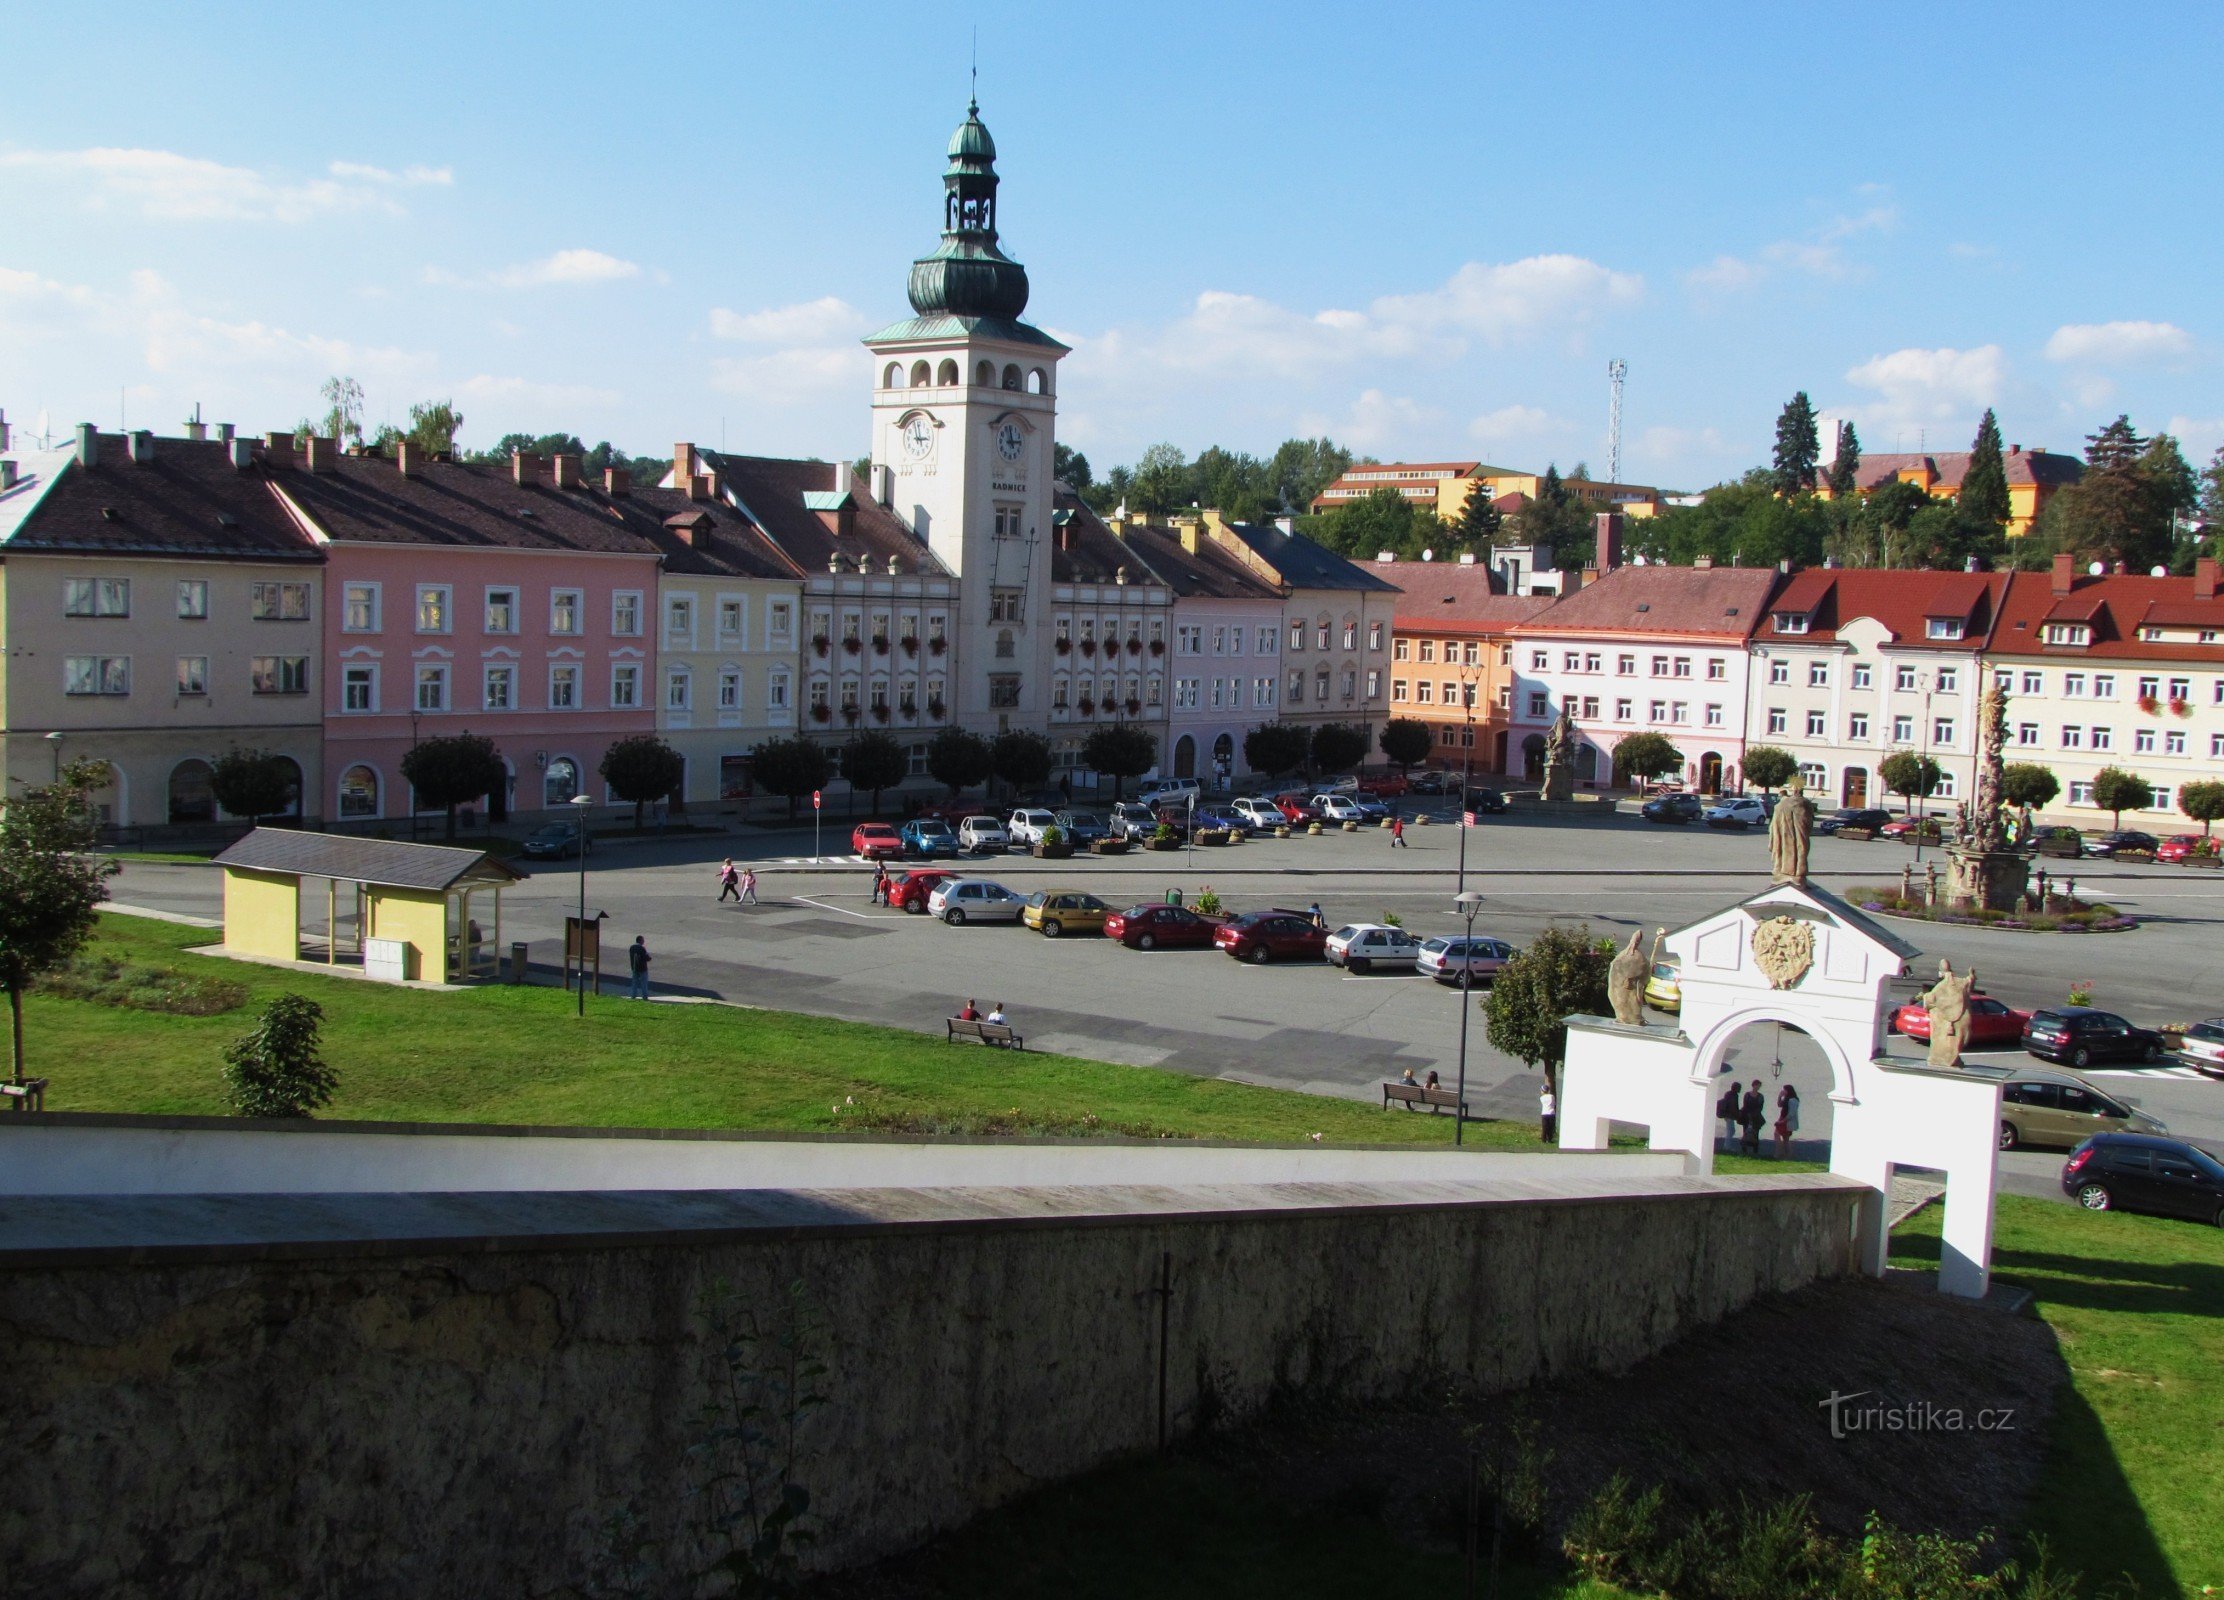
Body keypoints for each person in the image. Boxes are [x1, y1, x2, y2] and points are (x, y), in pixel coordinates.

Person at [1738, 1079, 1765, 1157]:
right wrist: (1748, 1114)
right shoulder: (1747, 1094)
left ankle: (1755, 1150)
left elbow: (1760, 1107)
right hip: (1746, 1116)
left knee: (1755, 1133)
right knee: (1746, 1132)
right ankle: (1744, 1149)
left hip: (1756, 1117)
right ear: (1753, 1085)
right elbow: (1745, 1105)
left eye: (1759, 1086)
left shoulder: (1760, 1096)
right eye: (1757, 1085)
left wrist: (1755, 1114)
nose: (1758, 1087)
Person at [1775, 1085, 1801, 1159]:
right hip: (1783, 1118)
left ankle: (1780, 1153)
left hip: (1786, 1120)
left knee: (1778, 1134)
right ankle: (1787, 1154)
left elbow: (1791, 1113)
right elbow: (1779, 1105)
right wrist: (1780, 1096)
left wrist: (1782, 1121)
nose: (1783, 1091)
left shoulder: (1793, 1100)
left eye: (1784, 1090)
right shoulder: (1787, 1098)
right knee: (1785, 1138)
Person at [1715, 1083, 1742, 1152]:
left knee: (1731, 1131)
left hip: (1728, 1115)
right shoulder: (1734, 1095)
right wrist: (1736, 1115)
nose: (1740, 1089)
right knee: (1730, 1131)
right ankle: (1727, 1147)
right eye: (1739, 1088)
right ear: (1736, 1088)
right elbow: (1733, 1106)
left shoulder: (1729, 1094)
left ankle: (1727, 1146)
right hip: (1729, 1115)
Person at [627, 936, 651, 1001]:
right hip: (642, 968)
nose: (643, 941)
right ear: (640, 940)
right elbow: (647, 958)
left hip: (634, 967)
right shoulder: (642, 948)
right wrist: (648, 956)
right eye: (643, 940)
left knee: (634, 983)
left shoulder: (632, 948)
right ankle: (644, 997)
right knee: (644, 983)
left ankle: (633, 996)